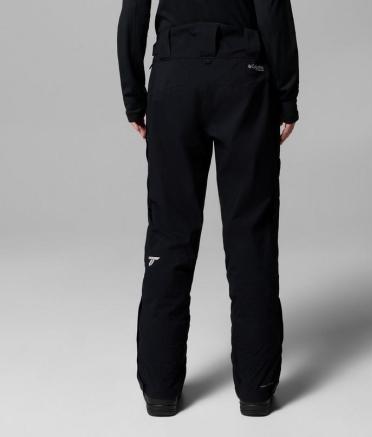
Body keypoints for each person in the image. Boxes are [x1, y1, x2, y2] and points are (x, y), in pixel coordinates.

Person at [117, 0, 299, 417]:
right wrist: (286, 95)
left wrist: (134, 96)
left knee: (169, 233)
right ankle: (256, 390)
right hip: (243, 74)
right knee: (250, 233)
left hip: (174, 76)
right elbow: (271, 6)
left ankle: (160, 390)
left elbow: (133, 9)